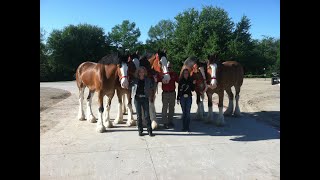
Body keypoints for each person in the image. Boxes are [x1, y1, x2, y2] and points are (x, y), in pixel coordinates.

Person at [130, 67, 154, 136]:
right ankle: (140, 130)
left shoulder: (148, 80)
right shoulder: (134, 80)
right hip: (137, 99)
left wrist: (154, 80)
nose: (141, 73)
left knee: (147, 115)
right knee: (139, 115)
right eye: (140, 72)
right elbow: (129, 87)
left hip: (145, 98)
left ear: (144, 72)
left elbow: (152, 86)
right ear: (138, 72)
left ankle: (149, 130)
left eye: (143, 71)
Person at [154, 61, 179, 129]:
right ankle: (165, 122)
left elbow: (179, 80)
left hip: (172, 93)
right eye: (168, 67)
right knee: (164, 108)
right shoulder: (163, 74)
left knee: (171, 108)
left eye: (170, 67)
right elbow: (157, 80)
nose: (169, 69)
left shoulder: (174, 74)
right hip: (165, 93)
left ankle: (170, 121)